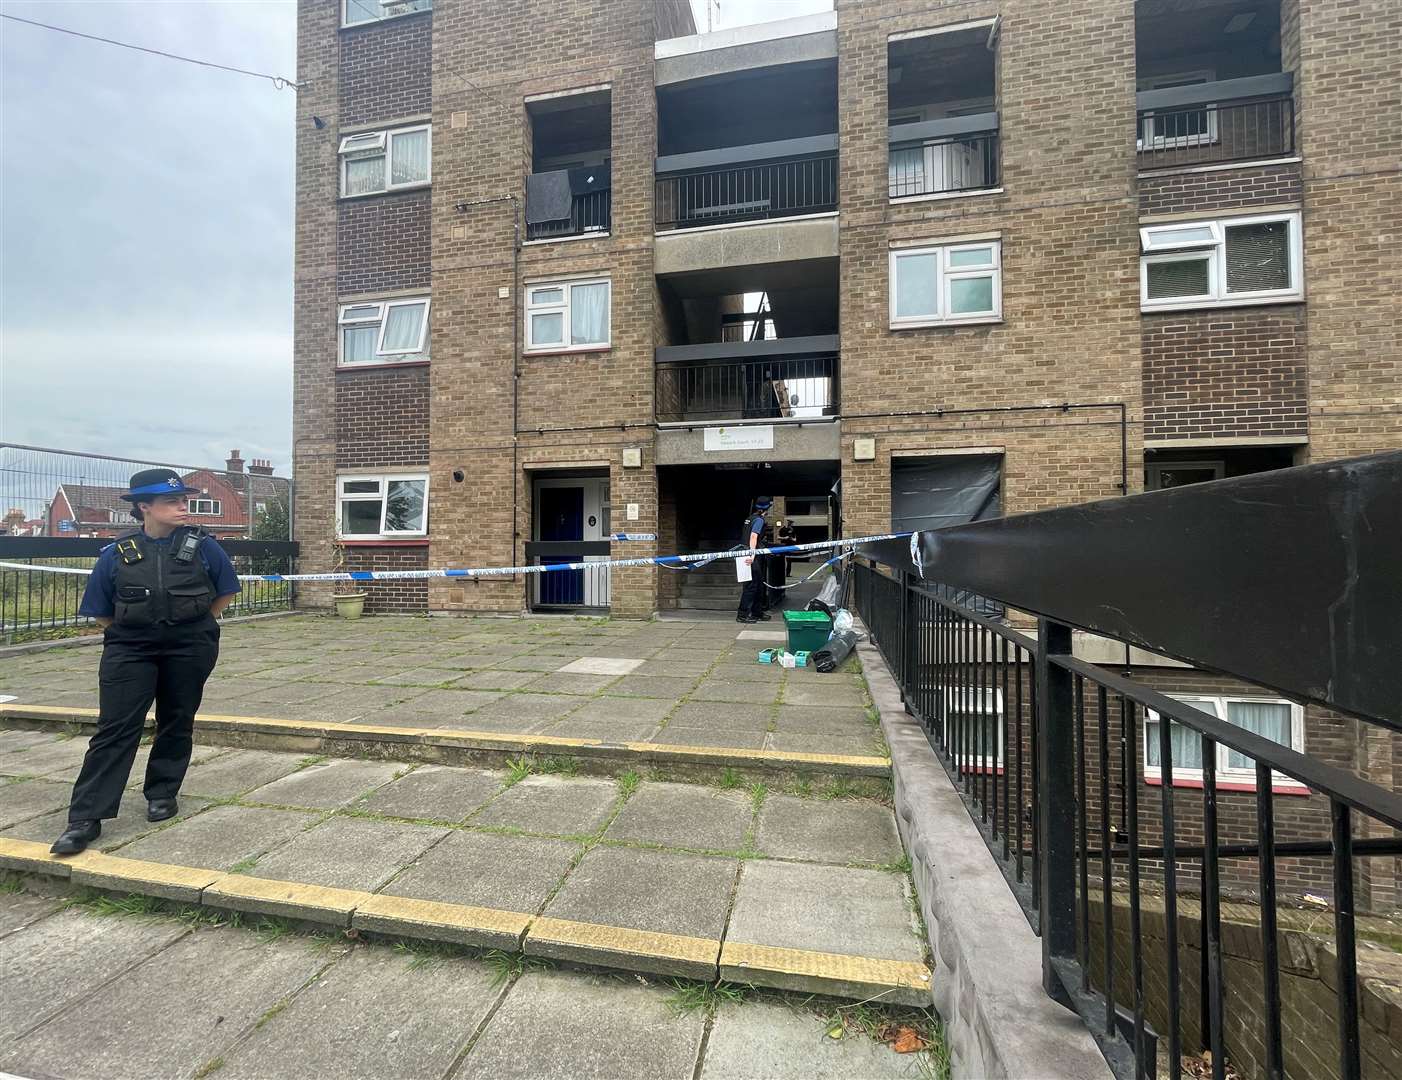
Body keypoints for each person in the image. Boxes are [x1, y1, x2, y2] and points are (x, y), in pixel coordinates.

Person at [50, 469, 241, 855]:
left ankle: (162, 793)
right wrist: (138, 630)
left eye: (183, 500)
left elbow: (224, 592)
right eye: (172, 501)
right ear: (144, 507)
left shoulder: (204, 547)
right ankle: (85, 819)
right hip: (130, 649)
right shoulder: (116, 554)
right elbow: (101, 609)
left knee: (176, 719)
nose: (182, 506)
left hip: (189, 645)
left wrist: (194, 623)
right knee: (115, 728)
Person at [736, 495, 774, 624]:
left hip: (744, 552)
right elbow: (753, 537)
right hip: (750, 555)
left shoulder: (749, 518)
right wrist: (752, 555)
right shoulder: (759, 520)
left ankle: (757, 612)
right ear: (767, 508)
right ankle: (742, 614)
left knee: (758, 585)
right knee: (751, 586)